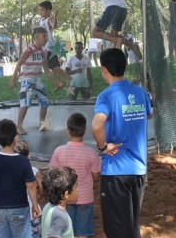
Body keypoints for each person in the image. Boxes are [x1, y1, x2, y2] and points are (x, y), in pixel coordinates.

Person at [92, 48, 153, 238]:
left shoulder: (106, 96)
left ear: (104, 70)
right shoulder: (140, 93)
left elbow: (96, 125)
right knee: (132, 224)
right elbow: (150, 114)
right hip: (138, 170)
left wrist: (103, 147)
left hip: (116, 171)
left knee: (117, 229)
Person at [0, 119, 40, 238]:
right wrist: (34, 204)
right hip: (19, 207)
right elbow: (31, 186)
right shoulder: (23, 161)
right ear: (15, 138)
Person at [73, 0, 142, 59]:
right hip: (123, 10)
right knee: (113, 35)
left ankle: (115, 41)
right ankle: (132, 46)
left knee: (95, 32)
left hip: (112, 9)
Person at [49, 113, 100, 238]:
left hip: (66, 197)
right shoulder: (91, 153)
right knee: (83, 231)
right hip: (86, 198)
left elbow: (53, 172)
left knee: (67, 229)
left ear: (67, 130)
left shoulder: (59, 151)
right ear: (85, 131)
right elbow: (96, 175)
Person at [10, 27, 55, 134]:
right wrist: (13, 78)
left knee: (44, 102)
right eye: (44, 36)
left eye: (47, 36)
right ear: (36, 37)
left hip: (36, 79)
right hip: (26, 79)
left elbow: (45, 68)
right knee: (25, 103)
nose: (46, 38)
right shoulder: (29, 50)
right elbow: (19, 63)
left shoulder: (44, 51)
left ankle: (42, 123)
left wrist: (53, 81)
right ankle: (19, 126)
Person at [38, 0, 71, 92]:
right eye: (40, 10)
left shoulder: (49, 20)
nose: (41, 12)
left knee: (53, 66)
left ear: (48, 11)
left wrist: (55, 16)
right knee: (52, 66)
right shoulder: (42, 20)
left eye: (42, 10)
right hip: (45, 47)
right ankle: (59, 82)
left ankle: (67, 77)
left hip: (50, 46)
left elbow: (54, 26)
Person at [14, 140, 43, 238]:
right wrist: (39, 195)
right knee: (35, 234)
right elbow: (41, 187)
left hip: (15, 211)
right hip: (32, 211)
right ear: (29, 155)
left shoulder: (8, 172)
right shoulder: (34, 171)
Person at [41, 166, 78, 238]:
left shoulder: (48, 206)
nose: (78, 189)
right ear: (66, 194)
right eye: (76, 187)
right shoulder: (60, 216)